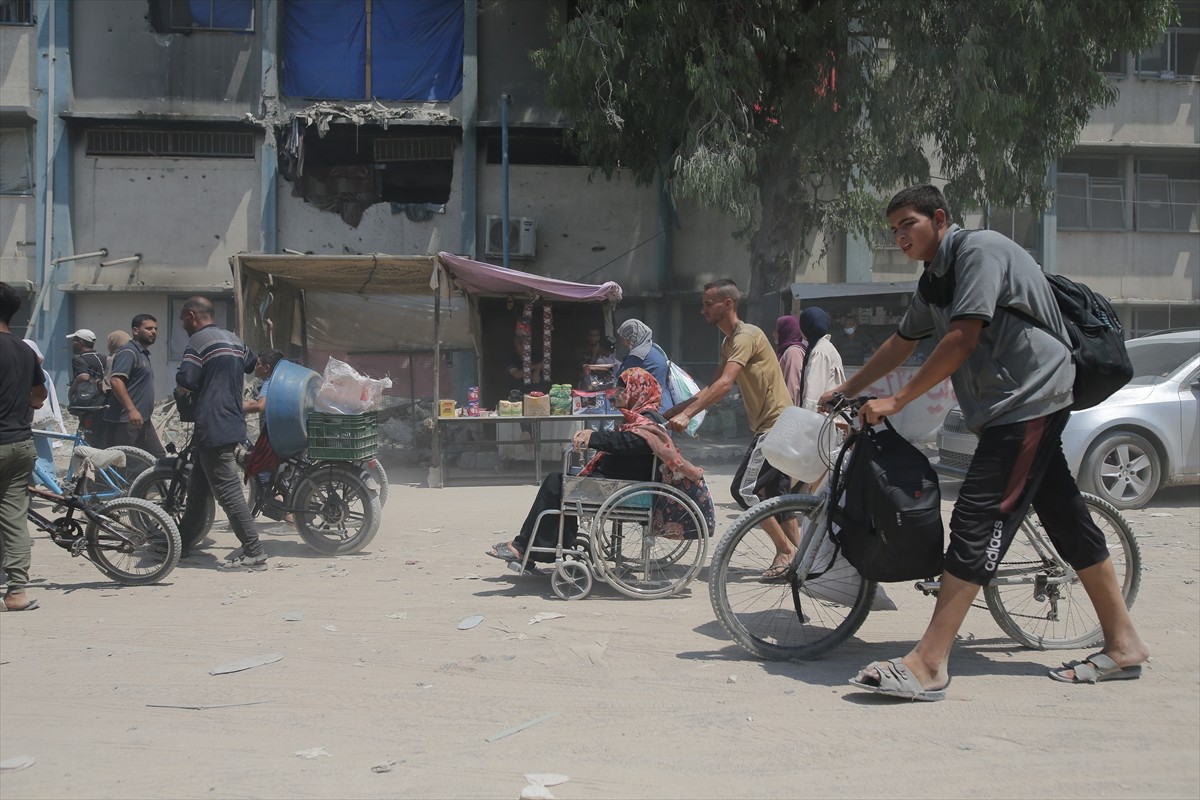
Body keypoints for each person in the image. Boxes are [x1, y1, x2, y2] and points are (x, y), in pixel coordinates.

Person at [824, 184, 1147, 701]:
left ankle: (930, 663)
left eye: (909, 223)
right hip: (1006, 408)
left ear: (940, 218)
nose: (900, 236)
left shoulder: (980, 251)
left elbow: (962, 337)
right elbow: (902, 340)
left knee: (978, 517)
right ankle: (1123, 643)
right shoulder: (933, 279)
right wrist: (847, 387)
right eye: (893, 230)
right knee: (1064, 515)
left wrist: (899, 399)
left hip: (1030, 398)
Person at [486, 368, 711, 564]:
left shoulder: (647, 420)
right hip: (620, 483)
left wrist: (594, 438)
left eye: (623, 389)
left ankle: (528, 546)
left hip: (624, 489)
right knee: (559, 481)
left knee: (555, 482)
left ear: (637, 391)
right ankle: (546, 543)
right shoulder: (640, 417)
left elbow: (631, 443)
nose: (618, 393)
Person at [666, 279, 799, 579]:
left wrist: (688, 416)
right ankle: (800, 563)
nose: (702, 310)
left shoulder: (747, 335)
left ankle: (785, 550)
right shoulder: (729, 343)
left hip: (775, 425)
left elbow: (725, 384)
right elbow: (713, 386)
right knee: (777, 495)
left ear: (727, 304)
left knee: (743, 489)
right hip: (777, 424)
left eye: (707, 304)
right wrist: (676, 410)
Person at [175, 296, 267, 569]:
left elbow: (187, 380)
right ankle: (179, 544)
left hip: (213, 424)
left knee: (228, 493)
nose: (183, 326)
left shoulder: (198, 342)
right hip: (231, 421)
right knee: (198, 490)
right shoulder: (233, 339)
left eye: (183, 320)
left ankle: (255, 551)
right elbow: (253, 364)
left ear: (192, 316)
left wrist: (184, 387)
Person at [0, 282, 47, 611]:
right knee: (14, 517)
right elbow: (39, 396)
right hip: (20, 444)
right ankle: (17, 592)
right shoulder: (25, 351)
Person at [104, 314, 165, 457]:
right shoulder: (128, 351)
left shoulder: (141, 353)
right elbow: (116, 381)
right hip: (127, 421)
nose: (153, 332)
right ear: (135, 331)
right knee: (124, 464)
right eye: (149, 328)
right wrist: (131, 410)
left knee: (159, 458)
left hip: (142, 420)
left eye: (156, 329)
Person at [616, 319, 672, 412]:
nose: (623, 343)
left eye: (624, 339)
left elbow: (622, 379)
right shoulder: (655, 349)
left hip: (649, 409)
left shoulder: (638, 355)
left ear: (632, 338)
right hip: (666, 403)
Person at [796, 307, 844, 413]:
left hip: (820, 420)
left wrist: (806, 419)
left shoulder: (820, 351)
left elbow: (813, 393)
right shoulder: (824, 347)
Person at [22, 339, 67, 435]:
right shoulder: (43, 373)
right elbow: (52, 397)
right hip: (41, 422)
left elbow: (51, 397)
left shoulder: (35, 373)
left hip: (27, 422)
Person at [773, 315, 806, 406]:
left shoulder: (793, 352)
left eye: (777, 330)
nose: (774, 334)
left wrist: (789, 414)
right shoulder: (784, 351)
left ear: (785, 330)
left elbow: (793, 388)